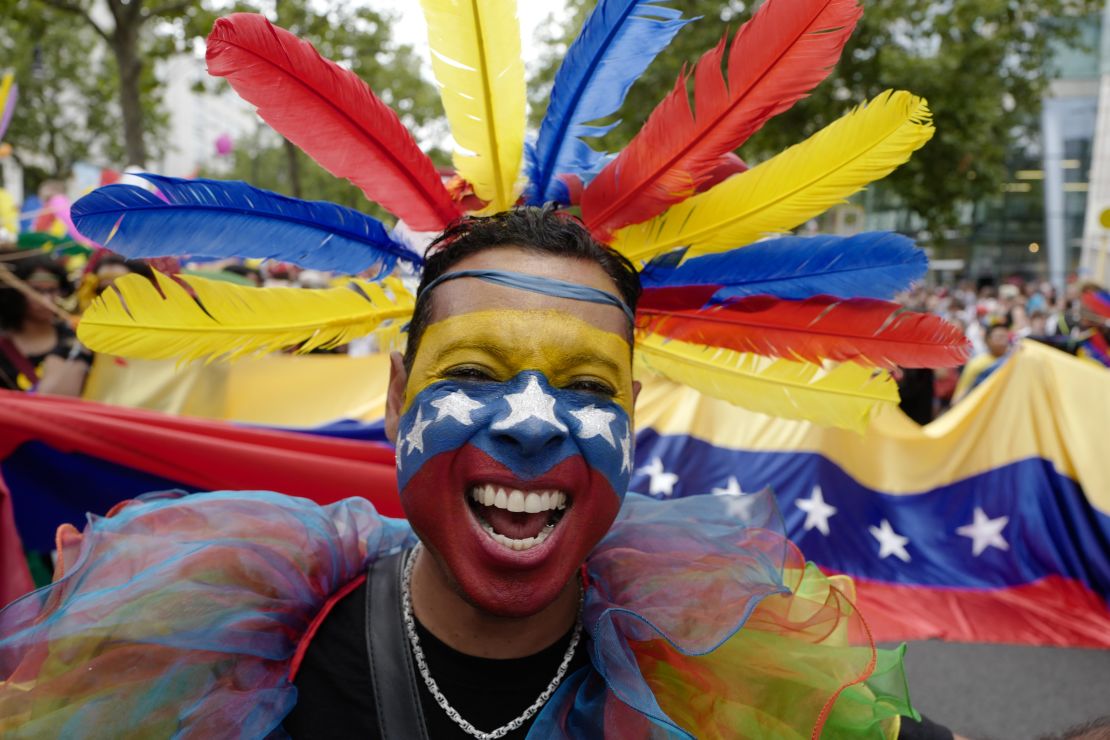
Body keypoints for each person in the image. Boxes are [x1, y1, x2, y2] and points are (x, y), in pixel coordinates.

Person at [1, 209, 958, 738]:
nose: (535, 425)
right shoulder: (235, 644)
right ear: (394, 399)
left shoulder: (716, 667)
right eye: (473, 373)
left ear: (629, 420)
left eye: (587, 386)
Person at [0, 255, 91, 395]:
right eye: (36, 291)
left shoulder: (75, 338)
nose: (46, 300)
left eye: (52, 290)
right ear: (16, 292)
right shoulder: (3, 344)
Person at [952, 320, 1011, 403]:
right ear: (987, 340)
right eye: (999, 337)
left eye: (1006, 337)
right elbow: (959, 396)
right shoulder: (976, 364)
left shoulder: (1012, 361)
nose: (1003, 341)